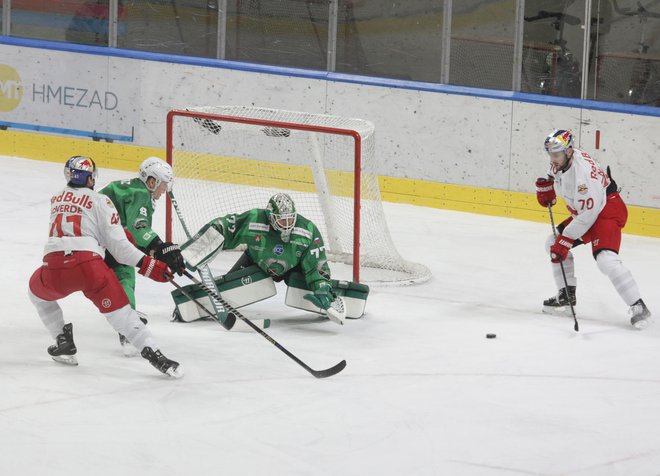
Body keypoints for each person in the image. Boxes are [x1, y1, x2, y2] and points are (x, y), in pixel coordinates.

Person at [28, 156, 183, 378]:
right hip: (89, 267)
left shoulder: (56, 199)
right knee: (124, 315)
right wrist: (151, 266)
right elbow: (120, 247)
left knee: (36, 294)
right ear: (90, 178)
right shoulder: (101, 202)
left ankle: (62, 339)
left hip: (52, 267)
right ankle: (157, 356)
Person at [535, 130, 651, 329]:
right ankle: (566, 296)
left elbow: (588, 216)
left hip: (607, 210)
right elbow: (556, 175)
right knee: (551, 242)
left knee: (605, 259)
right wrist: (547, 186)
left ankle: (639, 306)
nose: (552, 158)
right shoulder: (563, 158)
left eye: (556, 154)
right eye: (550, 154)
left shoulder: (583, 178)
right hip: (589, 211)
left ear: (569, 151)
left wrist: (566, 240)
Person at [180, 192, 346, 325]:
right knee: (228, 286)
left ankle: (329, 296)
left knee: (304, 282)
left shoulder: (308, 230)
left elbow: (315, 265)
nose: (286, 224)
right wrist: (199, 245)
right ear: (270, 215)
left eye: (290, 219)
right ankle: (196, 305)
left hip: (294, 267)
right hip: (256, 261)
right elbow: (227, 227)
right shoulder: (255, 220)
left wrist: (322, 287)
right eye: (281, 220)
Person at [99, 157, 185, 355]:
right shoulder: (140, 194)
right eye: (163, 184)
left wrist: (158, 252)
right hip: (99, 240)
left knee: (123, 266)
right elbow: (138, 229)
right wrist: (160, 247)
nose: (164, 190)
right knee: (125, 273)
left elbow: (130, 232)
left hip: (93, 237)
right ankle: (128, 326)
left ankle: (127, 319)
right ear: (151, 181)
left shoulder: (129, 188)